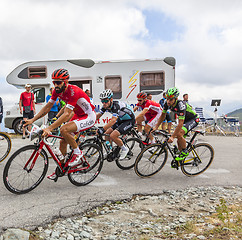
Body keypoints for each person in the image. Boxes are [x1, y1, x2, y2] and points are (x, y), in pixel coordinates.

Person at [24, 69, 96, 180]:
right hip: (78, 115)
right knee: (63, 141)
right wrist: (32, 120)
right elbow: (47, 107)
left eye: (58, 82)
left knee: (64, 129)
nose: (56, 85)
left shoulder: (73, 91)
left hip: (89, 116)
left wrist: (49, 128)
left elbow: (67, 114)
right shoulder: (56, 91)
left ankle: (78, 152)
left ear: (66, 82)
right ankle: (61, 169)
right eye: (54, 82)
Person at [153, 87, 199, 162]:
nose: (168, 101)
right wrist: (156, 127)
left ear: (176, 98)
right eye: (167, 99)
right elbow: (163, 115)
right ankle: (181, 160)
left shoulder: (181, 105)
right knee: (179, 140)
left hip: (193, 119)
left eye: (170, 99)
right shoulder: (166, 103)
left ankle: (185, 151)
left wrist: (172, 137)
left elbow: (180, 124)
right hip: (184, 120)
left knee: (179, 134)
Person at [96, 89, 135, 159]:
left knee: (113, 135)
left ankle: (125, 149)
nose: (104, 103)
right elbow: (98, 116)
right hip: (121, 119)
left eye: (105, 101)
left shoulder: (116, 105)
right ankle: (109, 151)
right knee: (107, 133)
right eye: (102, 101)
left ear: (111, 99)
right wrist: (89, 123)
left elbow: (113, 120)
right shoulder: (105, 106)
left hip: (129, 120)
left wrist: (102, 129)